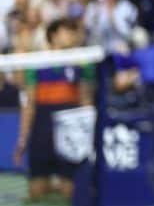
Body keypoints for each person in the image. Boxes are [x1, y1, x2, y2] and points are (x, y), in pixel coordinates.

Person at [14, 17, 94, 202]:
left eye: (74, 32)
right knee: (36, 190)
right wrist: (22, 138)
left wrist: (89, 136)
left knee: (69, 190)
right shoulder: (37, 63)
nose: (72, 36)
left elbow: (86, 100)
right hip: (42, 130)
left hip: (70, 132)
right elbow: (29, 104)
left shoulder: (83, 64)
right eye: (67, 31)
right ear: (53, 35)